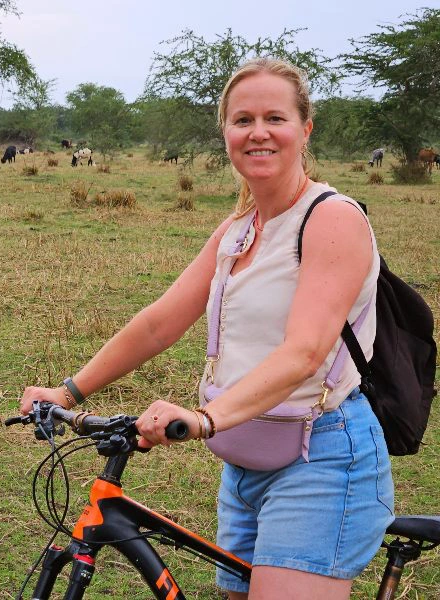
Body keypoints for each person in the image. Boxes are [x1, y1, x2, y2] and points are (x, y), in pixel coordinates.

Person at [20, 58, 393, 600]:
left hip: (322, 460)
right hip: (244, 464)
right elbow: (158, 323)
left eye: (275, 118)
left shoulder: (331, 219)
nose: (258, 132)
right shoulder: (238, 229)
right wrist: (69, 390)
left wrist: (202, 419)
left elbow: (305, 353)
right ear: (225, 134)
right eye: (243, 120)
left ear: (305, 129)